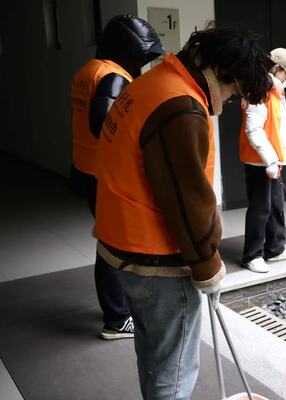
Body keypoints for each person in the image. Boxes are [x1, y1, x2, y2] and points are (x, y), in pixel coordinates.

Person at [95, 28, 272, 399]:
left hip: (123, 244)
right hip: (158, 259)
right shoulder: (181, 107)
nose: (231, 99)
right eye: (235, 91)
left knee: (154, 353)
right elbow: (186, 198)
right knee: (174, 371)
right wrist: (208, 266)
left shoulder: (154, 82)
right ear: (221, 71)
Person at [70, 14, 163, 340]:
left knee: (110, 243)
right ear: (127, 49)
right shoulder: (112, 76)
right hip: (103, 175)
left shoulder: (88, 70)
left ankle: (117, 310)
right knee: (114, 247)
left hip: (85, 169)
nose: (142, 65)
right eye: (141, 57)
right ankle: (117, 318)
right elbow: (105, 123)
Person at [239, 48, 286, 273]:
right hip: (260, 161)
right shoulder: (260, 90)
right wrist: (270, 161)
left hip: (272, 160)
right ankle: (252, 255)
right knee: (260, 208)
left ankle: (276, 248)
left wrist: (276, 160)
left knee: (276, 204)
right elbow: (253, 130)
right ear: (275, 69)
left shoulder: (275, 89)